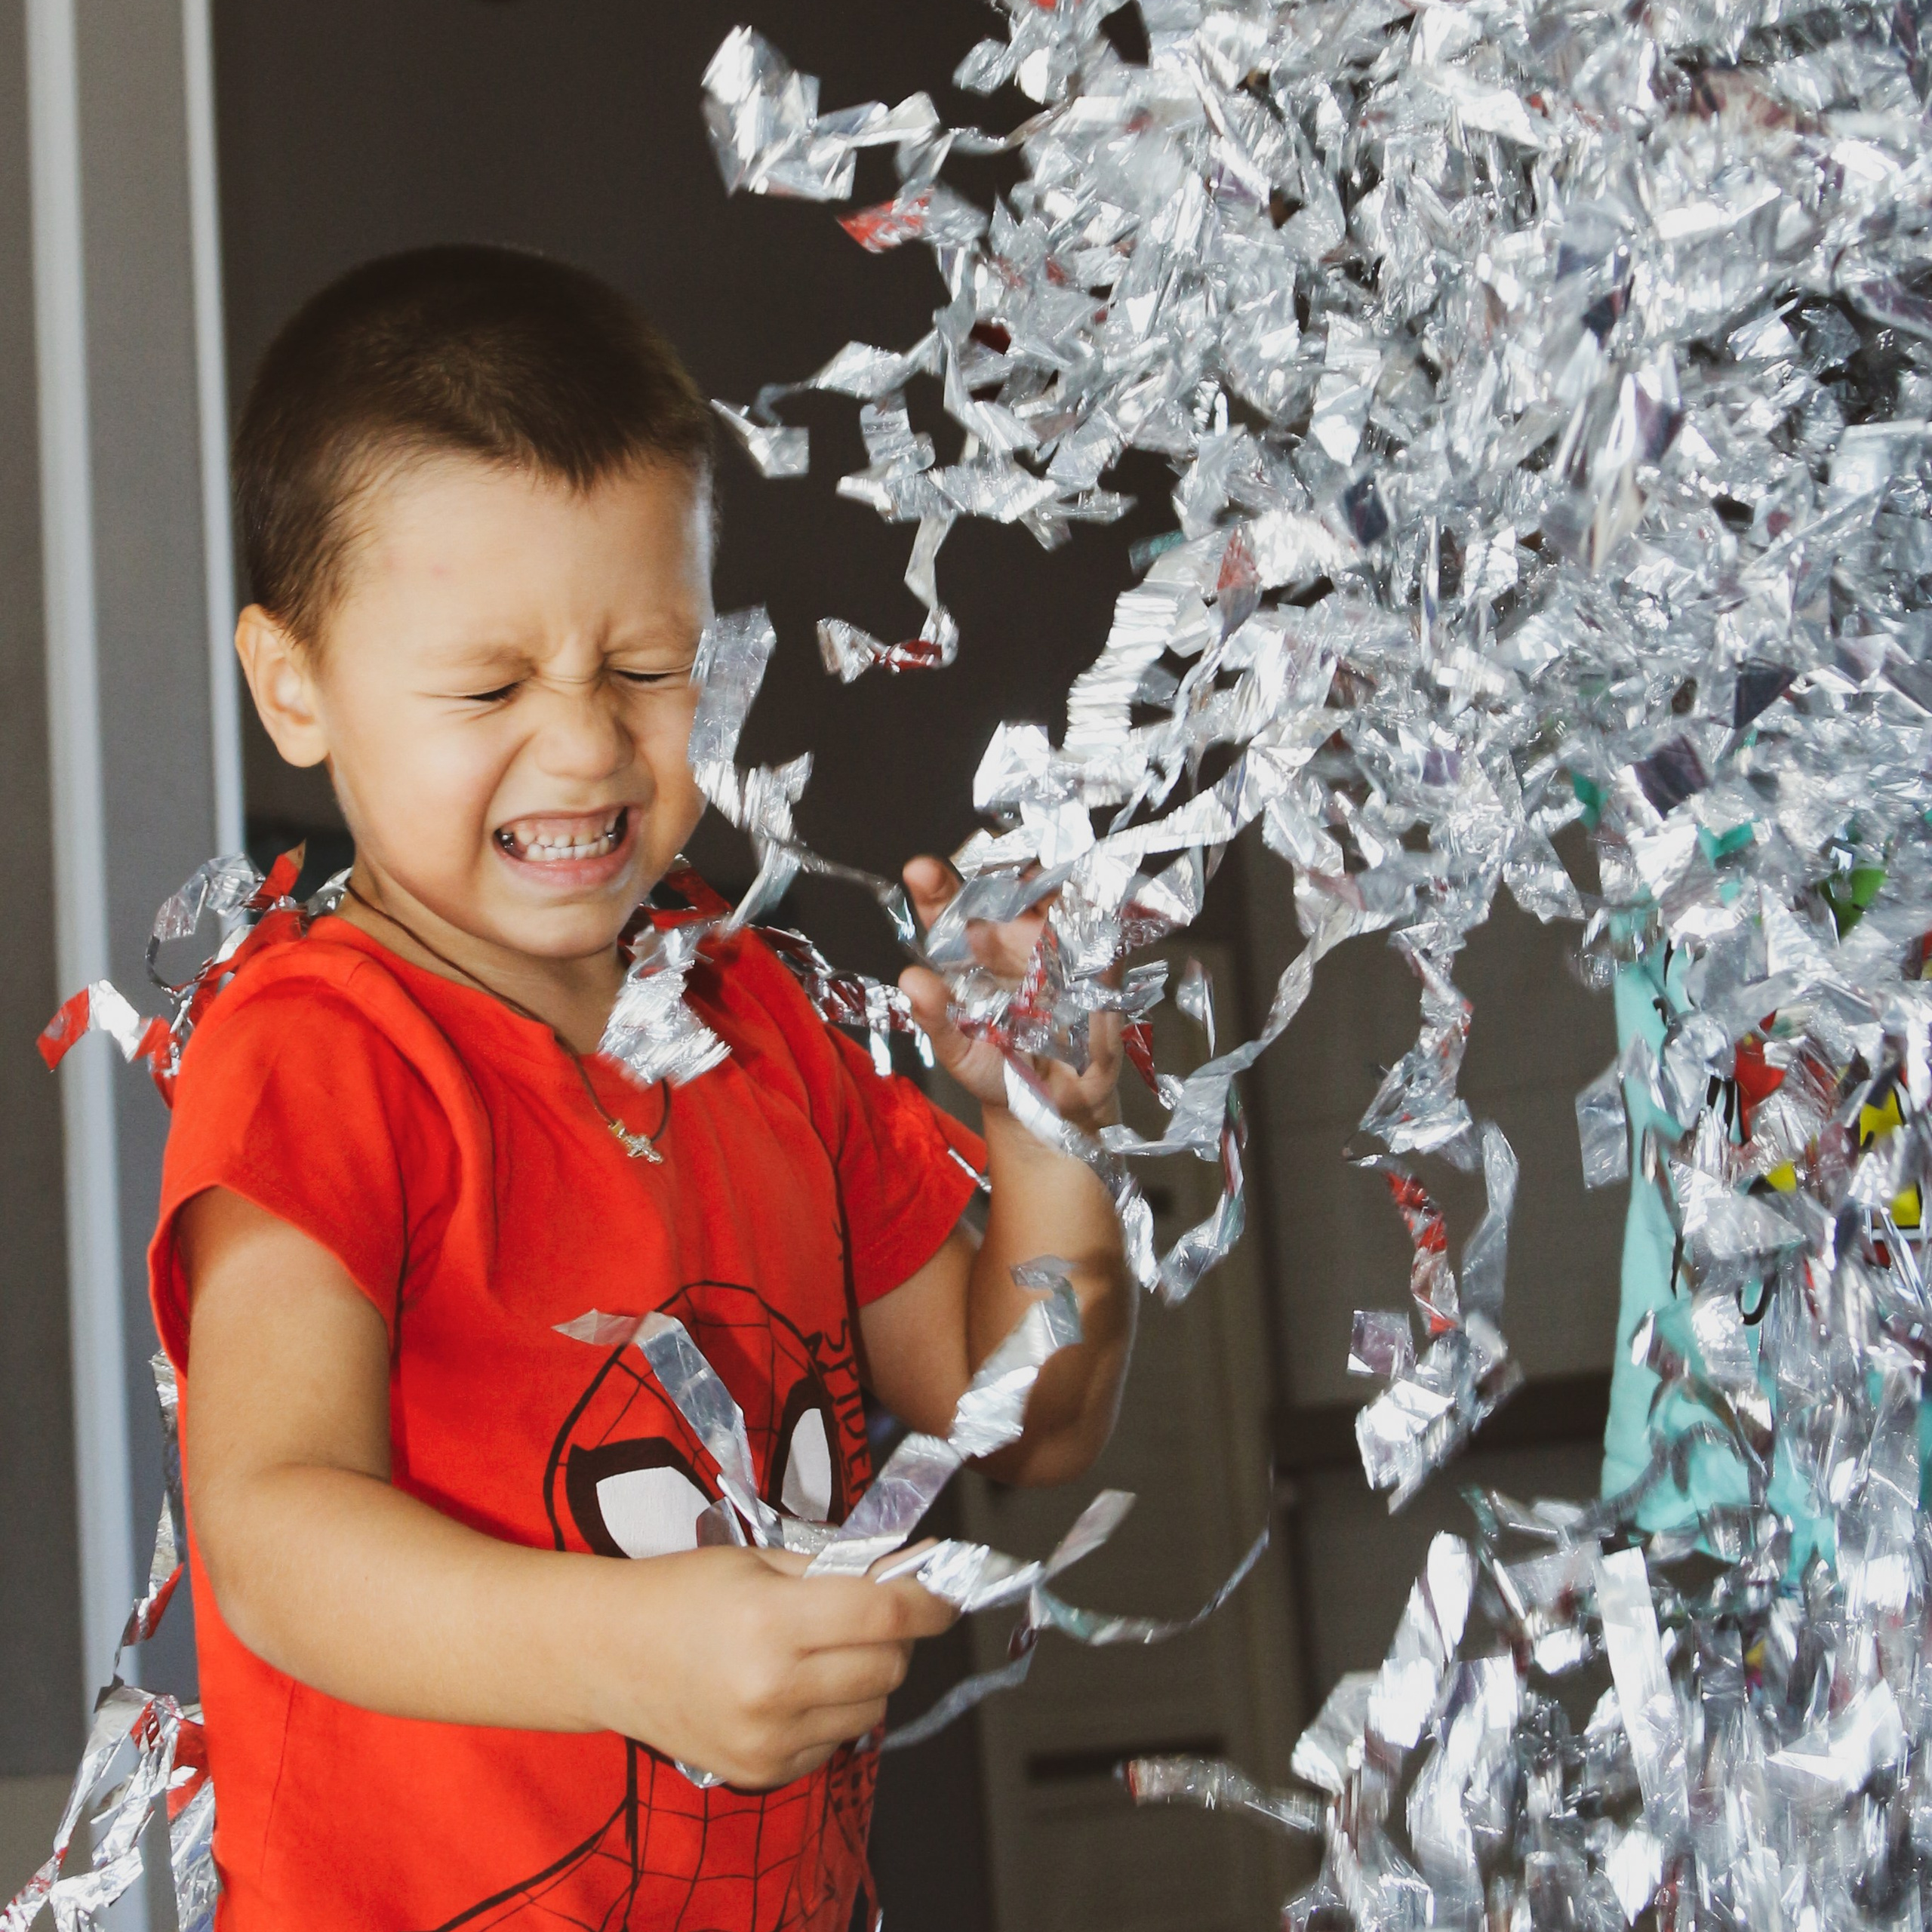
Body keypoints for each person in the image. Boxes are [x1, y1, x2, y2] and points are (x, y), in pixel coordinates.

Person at [153, 245, 1133, 1932]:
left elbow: (1025, 1418)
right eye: (488, 686)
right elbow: (273, 1529)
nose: (588, 745)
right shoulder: (317, 1051)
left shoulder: (762, 1025)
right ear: (292, 685)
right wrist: (635, 1650)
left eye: (648, 667)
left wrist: (1047, 1126)